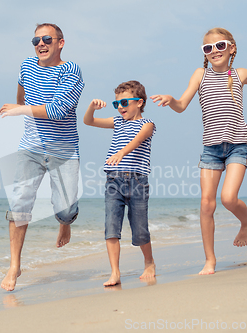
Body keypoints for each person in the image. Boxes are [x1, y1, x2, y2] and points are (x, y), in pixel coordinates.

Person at [150, 27, 247, 275]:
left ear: (231, 47)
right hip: (211, 148)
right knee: (206, 204)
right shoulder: (200, 74)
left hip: (237, 145)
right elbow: (181, 105)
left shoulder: (241, 74)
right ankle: (210, 260)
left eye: (220, 45)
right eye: (208, 48)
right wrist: (171, 100)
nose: (214, 51)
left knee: (228, 199)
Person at [0, 23, 85, 291]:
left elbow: (59, 110)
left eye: (47, 38)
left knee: (66, 208)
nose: (40, 43)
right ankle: (14, 266)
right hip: (31, 149)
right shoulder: (26, 66)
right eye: (36, 39)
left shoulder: (71, 70)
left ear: (60, 42)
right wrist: (20, 108)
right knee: (19, 206)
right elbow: (21, 94)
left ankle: (64, 222)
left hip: (64, 150)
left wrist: (21, 109)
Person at [83, 80, 156, 286]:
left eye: (125, 102)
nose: (121, 107)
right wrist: (91, 107)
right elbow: (88, 121)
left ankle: (149, 261)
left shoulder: (147, 124)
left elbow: (138, 140)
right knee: (111, 227)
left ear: (139, 102)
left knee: (140, 230)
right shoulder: (117, 122)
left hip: (137, 182)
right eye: (117, 104)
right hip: (113, 180)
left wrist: (122, 152)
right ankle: (115, 272)